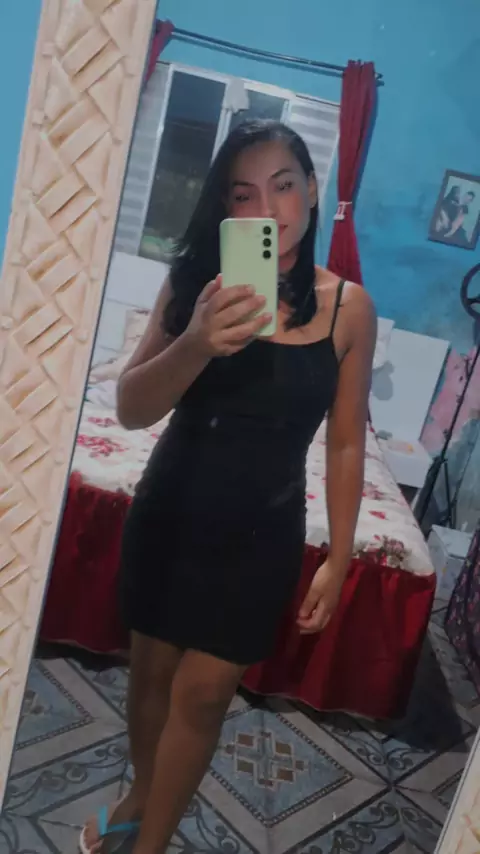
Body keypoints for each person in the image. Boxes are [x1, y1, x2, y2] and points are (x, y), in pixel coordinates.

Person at [80, 120, 376, 854]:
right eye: (244, 195)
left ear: (313, 189)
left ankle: (148, 843)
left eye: (284, 185)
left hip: (262, 533)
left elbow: (345, 441)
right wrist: (197, 342)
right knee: (150, 678)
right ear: (225, 208)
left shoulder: (349, 309)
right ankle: (140, 796)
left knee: (205, 694)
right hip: (172, 510)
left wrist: (340, 557)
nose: (268, 210)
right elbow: (132, 407)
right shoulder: (194, 284)